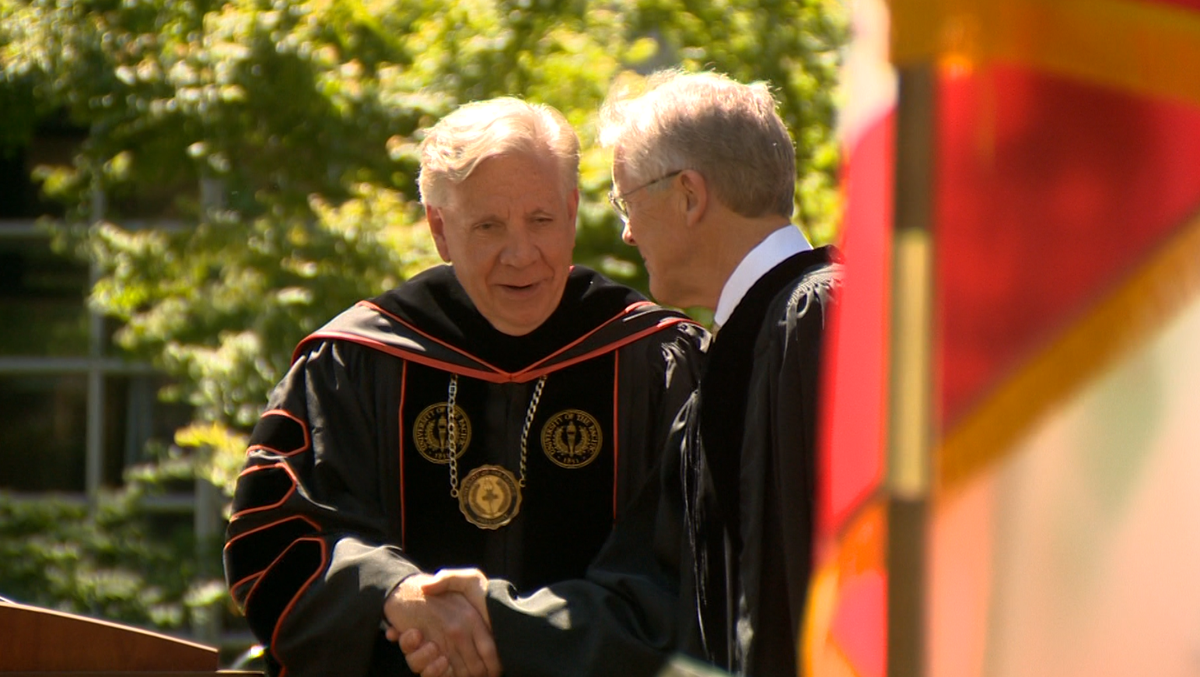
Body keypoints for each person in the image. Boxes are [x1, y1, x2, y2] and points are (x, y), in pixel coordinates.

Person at [222, 96, 707, 677]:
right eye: (488, 226)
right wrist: (395, 597)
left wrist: (510, 631)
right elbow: (275, 539)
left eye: (542, 220)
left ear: (573, 213)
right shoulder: (353, 364)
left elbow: (690, 574)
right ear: (440, 229)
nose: (520, 253)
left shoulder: (656, 363)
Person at [402, 70, 842, 677]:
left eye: (628, 200)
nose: (628, 230)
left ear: (689, 195)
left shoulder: (823, 320)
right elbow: (656, 594)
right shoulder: (737, 361)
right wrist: (495, 618)